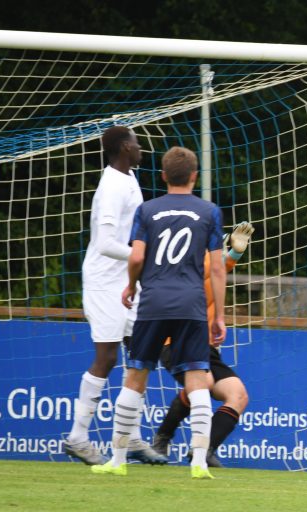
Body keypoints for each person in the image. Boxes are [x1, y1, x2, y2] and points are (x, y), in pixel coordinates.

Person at [90, 146, 226, 480]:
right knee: (197, 379)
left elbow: (136, 257)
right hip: (192, 305)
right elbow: (217, 268)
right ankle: (198, 463)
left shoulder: (147, 210)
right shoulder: (210, 212)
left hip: (153, 303)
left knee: (136, 376)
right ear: (194, 176)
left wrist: (131, 286)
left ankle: (118, 460)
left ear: (164, 176)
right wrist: (220, 316)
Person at [63, 126, 166, 466]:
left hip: (126, 282)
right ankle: (78, 438)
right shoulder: (111, 186)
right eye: (136, 143)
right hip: (104, 282)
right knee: (107, 358)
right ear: (124, 147)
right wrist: (143, 256)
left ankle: (131, 437)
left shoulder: (130, 178)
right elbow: (105, 244)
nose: (141, 148)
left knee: (140, 355)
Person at [151, 222, 254, 468]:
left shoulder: (209, 263)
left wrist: (234, 253)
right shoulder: (180, 265)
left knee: (238, 395)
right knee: (203, 383)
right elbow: (211, 273)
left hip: (205, 346)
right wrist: (228, 254)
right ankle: (163, 437)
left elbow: (217, 270)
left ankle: (206, 449)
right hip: (175, 342)